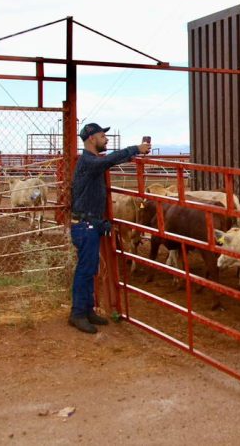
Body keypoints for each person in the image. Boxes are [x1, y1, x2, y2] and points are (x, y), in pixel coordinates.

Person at [68, 123, 151, 334]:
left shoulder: (92, 161)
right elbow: (109, 160)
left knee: (90, 269)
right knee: (85, 270)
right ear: (91, 139)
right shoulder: (88, 161)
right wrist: (135, 149)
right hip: (85, 225)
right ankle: (78, 314)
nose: (106, 139)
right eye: (102, 136)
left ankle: (87, 310)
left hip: (90, 223)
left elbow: (109, 161)